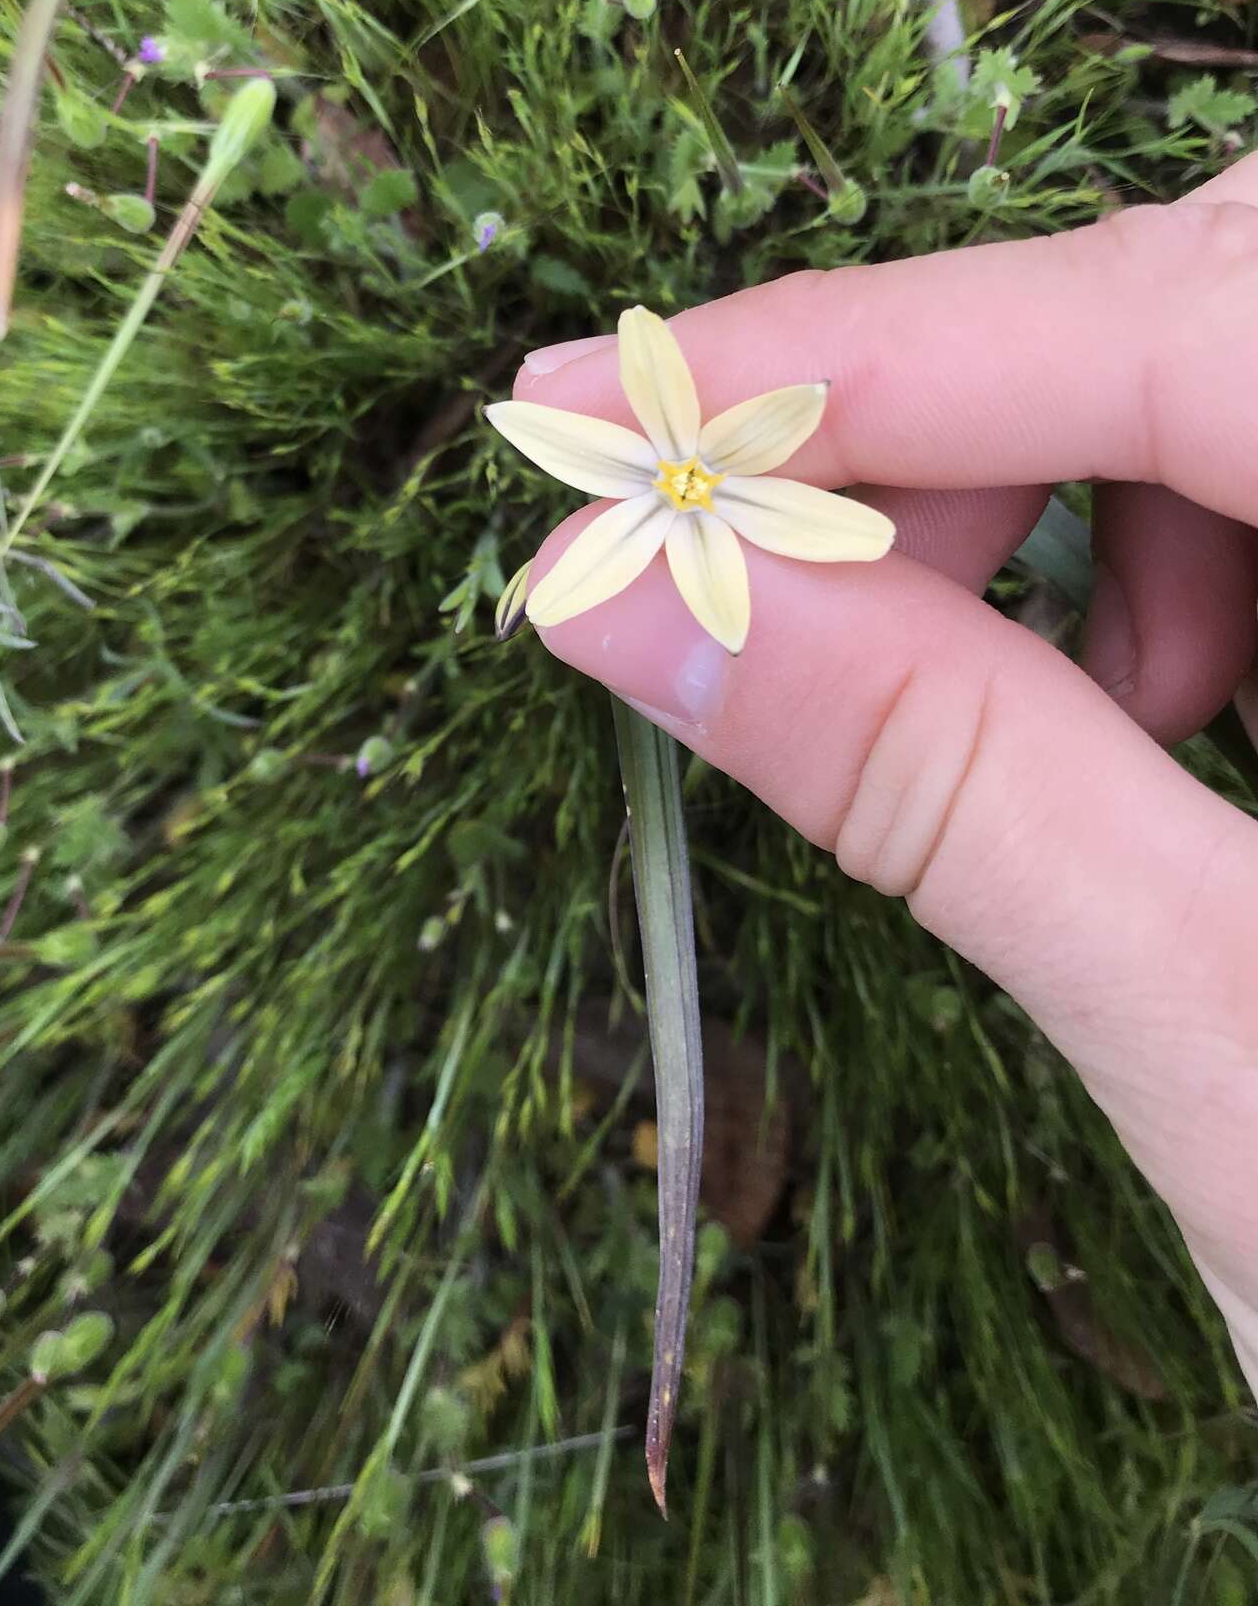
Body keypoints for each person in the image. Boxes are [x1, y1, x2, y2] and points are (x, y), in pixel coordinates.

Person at [510, 155, 1258, 1395]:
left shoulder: (706, 486)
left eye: (693, 474)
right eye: (683, 476)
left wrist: (898, 752)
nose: (686, 480)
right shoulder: (671, 485)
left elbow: (823, 532)